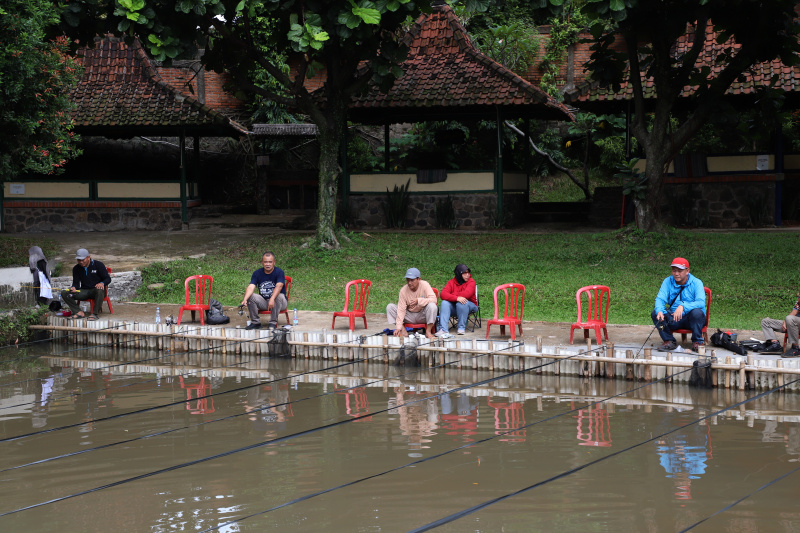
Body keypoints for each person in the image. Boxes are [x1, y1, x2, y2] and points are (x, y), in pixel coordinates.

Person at [651, 257, 706, 352]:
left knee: (697, 313)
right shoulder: (667, 281)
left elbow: (701, 302)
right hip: (674, 318)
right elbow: (660, 298)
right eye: (674, 270)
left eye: (680, 271)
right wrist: (659, 310)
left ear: (687, 271)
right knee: (655, 313)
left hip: (692, 320)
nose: (676, 274)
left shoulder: (697, 283)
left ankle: (697, 342)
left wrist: (683, 306)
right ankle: (669, 341)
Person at [386, 267, 438, 339]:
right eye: (407, 280)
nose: (409, 283)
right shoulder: (403, 290)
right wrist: (398, 327)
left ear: (418, 279)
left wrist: (418, 301)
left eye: (412, 280)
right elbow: (401, 309)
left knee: (432, 306)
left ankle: (428, 332)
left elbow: (434, 299)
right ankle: (403, 331)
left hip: (422, 315)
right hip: (409, 315)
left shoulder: (425, 285)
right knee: (390, 307)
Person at [241, 251, 287, 330]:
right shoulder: (257, 273)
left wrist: (272, 299)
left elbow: (279, 286)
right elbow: (251, 286)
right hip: (265, 302)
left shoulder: (279, 272)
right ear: (262, 262)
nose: (268, 264)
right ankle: (256, 322)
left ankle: (272, 323)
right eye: (265, 262)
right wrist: (245, 299)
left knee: (278, 296)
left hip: (280, 303)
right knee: (250, 296)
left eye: (270, 262)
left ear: (274, 262)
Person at [62, 248, 111, 320]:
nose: (81, 262)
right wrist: (74, 287)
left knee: (100, 290)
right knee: (64, 293)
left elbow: (108, 279)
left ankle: (94, 314)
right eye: (79, 260)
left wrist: (102, 283)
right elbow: (76, 283)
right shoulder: (76, 268)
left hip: (96, 291)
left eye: (83, 260)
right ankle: (78, 312)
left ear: (88, 257)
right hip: (84, 291)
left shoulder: (98, 265)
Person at [436, 264, 478, 336]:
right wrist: (456, 298)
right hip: (455, 306)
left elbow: (466, 294)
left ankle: (461, 327)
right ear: (459, 274)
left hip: (471, 306)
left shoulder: (471, 282)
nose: (467, 275)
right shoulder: (451, 282)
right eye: (464, 273)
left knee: (462, 302)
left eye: (468, 272)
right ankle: (443, 329)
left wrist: (451, 295)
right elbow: (443, 294)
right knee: (444, 303)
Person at [756, 293, 800, 358]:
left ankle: (795, 348)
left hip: (795, 322)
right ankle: (775, 345)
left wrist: (789, 320)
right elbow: (794, 312)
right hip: (793, 323)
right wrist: (786, 321)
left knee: (789, 319)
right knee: (766, 322)